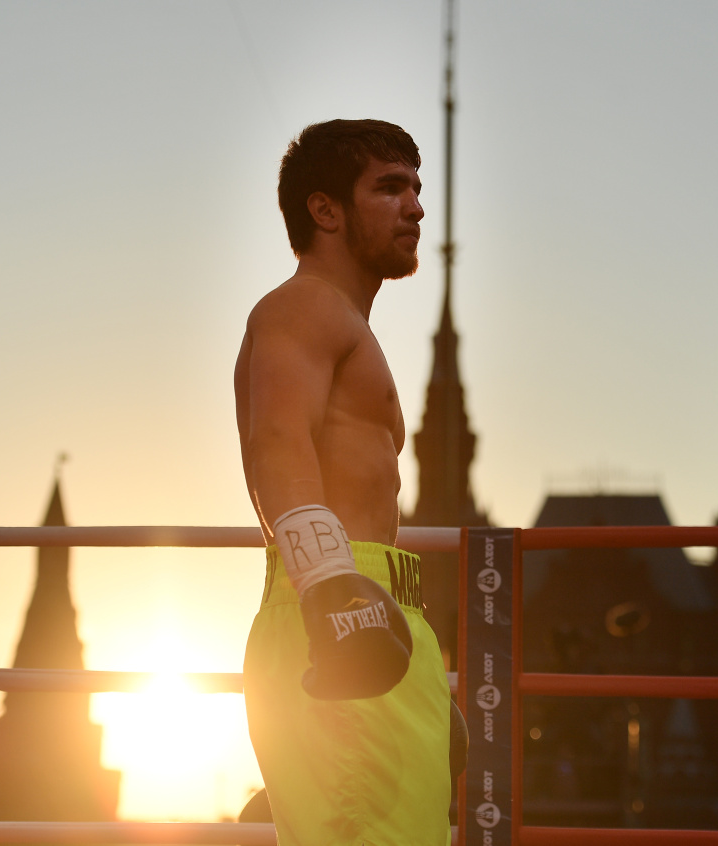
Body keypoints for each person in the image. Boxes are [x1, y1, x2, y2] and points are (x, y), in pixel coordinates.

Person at [234, 119, 453, 846]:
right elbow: (277, 439)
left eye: (416, 188)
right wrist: (330, 581)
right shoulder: (303, 306)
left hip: (377, 609)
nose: (415, 206)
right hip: (337, 605)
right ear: (326, 210)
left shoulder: (345, 324)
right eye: (389, 188)